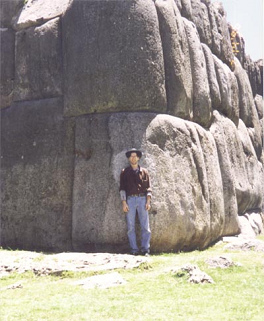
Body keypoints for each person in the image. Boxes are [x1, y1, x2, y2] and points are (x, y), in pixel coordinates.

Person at [119, 148, 152, 256]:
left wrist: (148, 202)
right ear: (129, 158)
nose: (133, 158)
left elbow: (148, 188)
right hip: (130, 200)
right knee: (131, 227)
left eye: (135, 156)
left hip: (142, 199)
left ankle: (145, 249)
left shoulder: (144, 172)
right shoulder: (124, 172)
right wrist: (124, 202)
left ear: (138, 158)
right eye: (131, 156)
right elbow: (122, 188)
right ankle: (134, 250)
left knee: (145, 226)